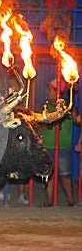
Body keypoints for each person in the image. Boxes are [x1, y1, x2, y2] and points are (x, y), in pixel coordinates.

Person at [40, 79, 75, 207]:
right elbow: (42, 123)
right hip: (48, 146)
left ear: (57, 92)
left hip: (63, 147)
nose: (48, 92)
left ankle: (71, 202)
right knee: (49, 175)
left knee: (65, 175)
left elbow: (77, 121)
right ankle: (49, 202)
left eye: (50, 90)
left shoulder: (68, 107)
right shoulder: (45, 107)